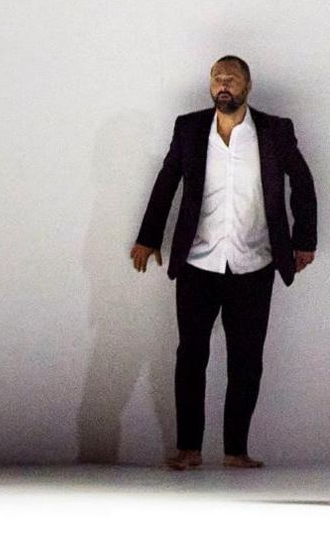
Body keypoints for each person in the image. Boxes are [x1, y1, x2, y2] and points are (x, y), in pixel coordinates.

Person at [132, 55, 316, 470]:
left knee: (247, 359)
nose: (224, 83)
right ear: (210, 86)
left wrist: (304, 240)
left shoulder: (274, 131)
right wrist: (148, 237)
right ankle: (189, 449)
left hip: (255, 264)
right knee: (191, 356)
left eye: (232, 77)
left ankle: (236, 450)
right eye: (217, 77)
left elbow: (302, 182)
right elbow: (167, 181)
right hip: (199, 262)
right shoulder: (190, 128)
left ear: (248, 86)